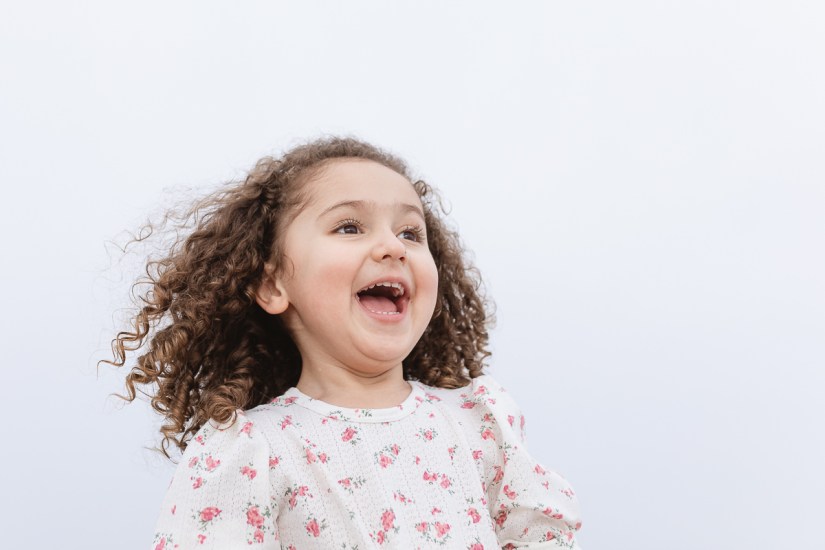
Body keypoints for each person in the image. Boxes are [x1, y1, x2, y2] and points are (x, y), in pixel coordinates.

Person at [105, 137, 582, 549]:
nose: (393, 246)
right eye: (349, 227)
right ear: (273, 285)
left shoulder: (479, 423)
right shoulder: (250, 451)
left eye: (411, 233)